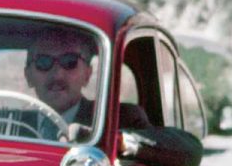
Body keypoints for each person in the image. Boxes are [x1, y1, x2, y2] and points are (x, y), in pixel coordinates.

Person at [21, 28, 151, 140]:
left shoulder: (121, 120)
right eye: (43, 62)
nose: (57, 75)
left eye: (70, 62)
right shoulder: (10, 124)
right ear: (28, 76)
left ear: (87, 74)